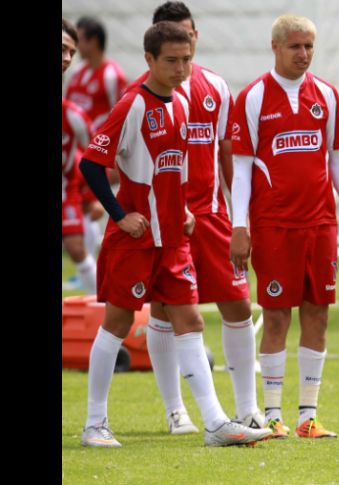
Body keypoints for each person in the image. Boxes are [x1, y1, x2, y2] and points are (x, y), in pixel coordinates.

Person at [77, 21, 270, 448]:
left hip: (173, 239)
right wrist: (119, 214)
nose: (181, 69)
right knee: (118, 324)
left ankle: (216, 422)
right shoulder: (132, 104)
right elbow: (90, 163)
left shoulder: (181, 105)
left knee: (191, 319)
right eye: (171, 61)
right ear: (149, 60)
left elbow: (173, 168)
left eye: (186, 60)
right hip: (136, 238)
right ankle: (94, 423)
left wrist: (181, 208)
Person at [125, 1, 263, 436]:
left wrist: (241, 217)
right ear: (156, 45)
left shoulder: (216, 87)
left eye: (189, 37)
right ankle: (176, 412)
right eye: (174, 41)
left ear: (196, 37)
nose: (185, 50)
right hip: (164, 221)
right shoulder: (139, 96)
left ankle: (248, 409)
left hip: (211, 216)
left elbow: (227, 152)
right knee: (165, 312)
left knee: (239, 304)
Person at [230, 14, 339, 439]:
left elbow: (337, 159)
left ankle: (308, 415)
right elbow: (240, 170)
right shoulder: (253, 97)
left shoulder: (326, 94)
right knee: (275, 317)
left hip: (321, 223)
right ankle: (272, 416)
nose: (304, 54)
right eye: (295, 46)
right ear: (275, 47)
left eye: (309, 46)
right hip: (273, 225)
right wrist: (240, 226)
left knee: (318, 313)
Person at [65, 16, 127, 273]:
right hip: (76, 150)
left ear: (93, 40)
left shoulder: (112, 75)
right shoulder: (77, 73)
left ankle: (88, 262)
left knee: (90, 199)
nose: (73, 50)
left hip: (100, 151)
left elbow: (122, 112)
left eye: (77, 41)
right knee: (82, 201)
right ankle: (86, 263)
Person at [62, 18, 97, 294]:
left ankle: (101, 311)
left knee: (77, 247)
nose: (67, 58)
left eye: (71, 52)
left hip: (67, 190)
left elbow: (95, 156)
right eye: (62, 49)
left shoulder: (73, 115)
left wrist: (94, 196)